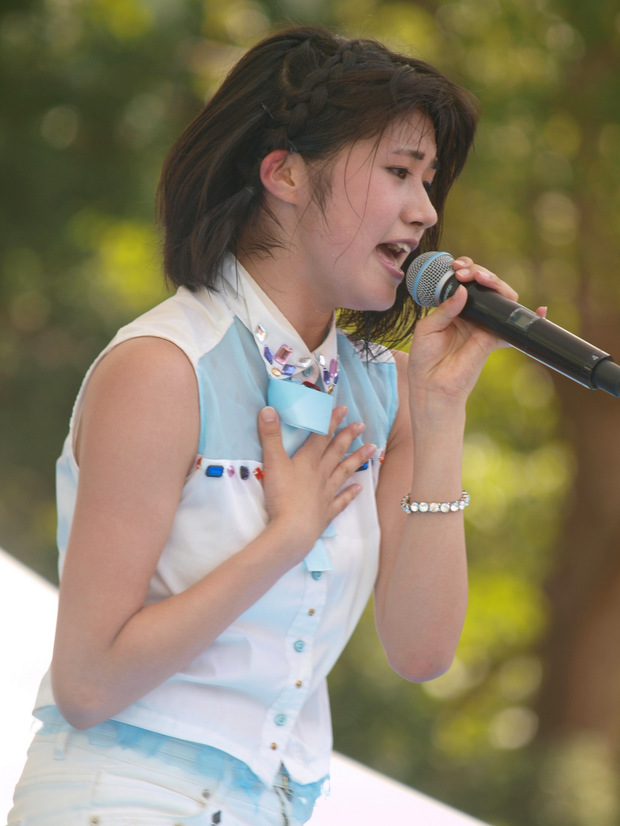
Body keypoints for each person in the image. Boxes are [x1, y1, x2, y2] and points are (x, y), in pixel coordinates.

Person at [9, 24, 522, 826]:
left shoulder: (387, 391)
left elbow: (421, 653)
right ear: (283, 173)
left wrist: (441, 407)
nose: (425, 211)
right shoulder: (163, 368)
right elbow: (87, 684)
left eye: (429, 182)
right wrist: (286, 537)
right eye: (398, 171)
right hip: (120, 798)